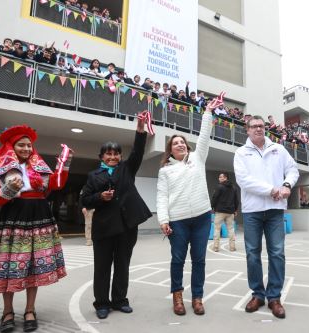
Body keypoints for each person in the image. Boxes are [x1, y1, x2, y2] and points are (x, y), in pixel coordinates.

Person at [0, 125, 72, 333]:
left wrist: (65, 162)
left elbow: (55, 184)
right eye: (22, 145)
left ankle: (30, 310)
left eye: (29, 145)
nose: (27, 148)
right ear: (12, 147)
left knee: (34, 267)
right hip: (13, 218)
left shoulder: (39, 167)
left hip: (40, 217)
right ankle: (7, 312)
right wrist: (9, 189)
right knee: (9, 268)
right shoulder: (1, 170)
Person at [81, 111, 152, 319]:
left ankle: (120, 300)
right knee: (102, 268)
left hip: (127, 226)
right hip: (103, 228)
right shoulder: (93, 176)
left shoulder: (127, 169)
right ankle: (102, 303)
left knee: (122, 265)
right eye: (108, 154)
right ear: (101, 157)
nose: (113, 157)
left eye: (116, 154)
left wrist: (140, 129)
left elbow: (138, 151)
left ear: (120, 156)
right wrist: (100, 197)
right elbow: (85, 200)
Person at [233, 115, 299, 319]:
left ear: (265, 128)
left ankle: (274, 297)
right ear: (247, 130)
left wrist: (287, 185)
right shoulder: (241, 153)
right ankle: (257, 295)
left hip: (275, 210)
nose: (258, 129)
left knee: (277, 253)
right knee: (253, 253)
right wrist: (272, 190)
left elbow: (293, 170)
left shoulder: (278, 149)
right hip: (252, 211)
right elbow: (244, 181)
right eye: (254, 126)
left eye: (261, 126)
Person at [157, 99, 218, 316]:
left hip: (202, 218)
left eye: (182, 142)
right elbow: (162, 196)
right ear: (170, 150)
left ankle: (197, 297)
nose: (180, 144)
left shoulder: (198, 158)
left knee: (199, 259)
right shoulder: (165, 170)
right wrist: (163, 220)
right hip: (178, 221)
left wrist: (208, 112)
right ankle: (177, 297)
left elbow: (204, 136)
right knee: (178, 259)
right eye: (175, 143)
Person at [211, 172, 239, 252]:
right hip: (230, 212)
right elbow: (236, 200)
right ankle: (232, 247)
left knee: (217, 229)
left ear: (226, 178)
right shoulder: (233, 188)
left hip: (220, 211)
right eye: (219, 177)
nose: (220, 178)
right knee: (230, 229)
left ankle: (216, 247)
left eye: (221, 177)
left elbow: (214, 198)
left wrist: (212, 207)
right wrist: (235, 210)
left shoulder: (219, 187)